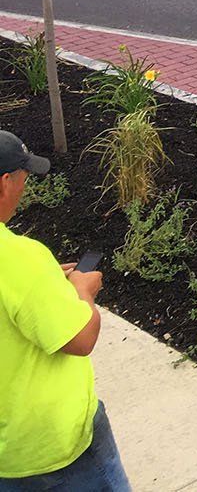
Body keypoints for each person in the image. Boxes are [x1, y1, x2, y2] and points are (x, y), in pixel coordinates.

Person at [0, 131, 130, 490]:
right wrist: (81, 291)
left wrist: (43, 283)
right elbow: (80, 336)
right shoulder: (19, 260)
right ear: (3, 184)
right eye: (23, 180)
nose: (24, 189)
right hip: (53, 449)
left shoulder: (23, 271)